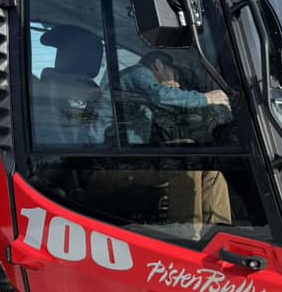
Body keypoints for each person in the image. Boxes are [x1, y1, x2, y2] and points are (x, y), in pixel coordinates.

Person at [92, 51, 233, 240]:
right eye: (173, 73)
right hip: (110, 162)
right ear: (158, 65)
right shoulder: (137, 72)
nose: (176, 80)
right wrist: (207, 98)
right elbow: (160, 96)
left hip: (131, 156)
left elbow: (160, 106)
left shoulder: (136, 89)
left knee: (210, 171)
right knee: (185, 162)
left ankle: (219, 230)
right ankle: (186, 232)